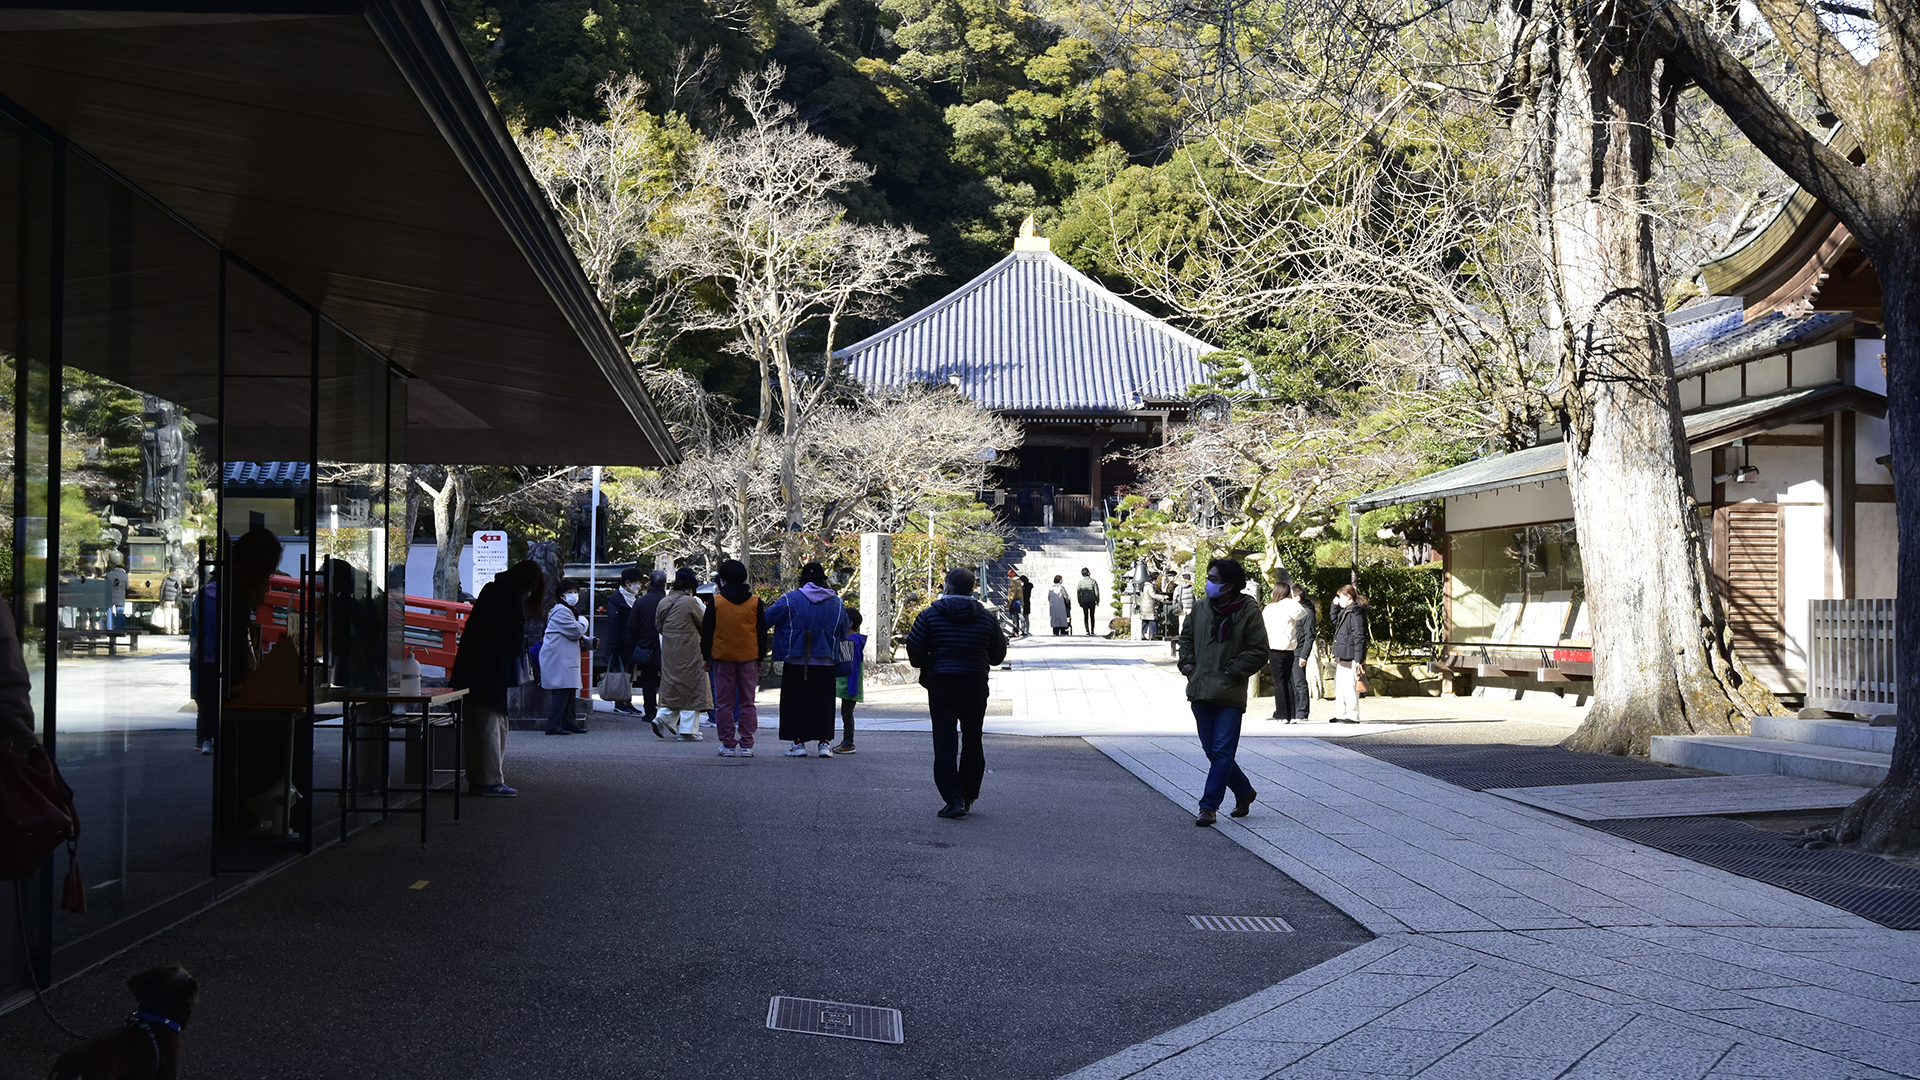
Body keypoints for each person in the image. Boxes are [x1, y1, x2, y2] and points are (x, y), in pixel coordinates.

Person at [905, 568, 1008, 818]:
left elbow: (915, 654)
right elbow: (997, 656)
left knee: (945, 740)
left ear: (947, 587)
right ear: (972, 589)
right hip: (975, 682)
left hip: (942, 683)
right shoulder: (986, 617)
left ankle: (953, 798)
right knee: (973, 737)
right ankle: (968, 794)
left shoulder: (930, 615)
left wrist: (933, 661)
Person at [1177, 558, 1267, 826]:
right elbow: (1186, 637)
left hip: (1229, 693)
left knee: (1223, 751)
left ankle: (1208, 806)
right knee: (1213, 752)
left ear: (1229, 586)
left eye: (1214, 579)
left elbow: (1259, 650)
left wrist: (1233, 670)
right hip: (1201, 690)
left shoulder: (1248, 610)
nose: (1208, 583)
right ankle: (1244, 791)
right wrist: (1187, 663)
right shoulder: (1201, 607)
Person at [450, 560, 545, 796]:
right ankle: (489, 781)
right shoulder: (509, 596)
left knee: (477, 726)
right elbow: (512, 637)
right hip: (489, 672)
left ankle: (480, 779)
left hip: (472, 669)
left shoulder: (493, 590)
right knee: (491, 726)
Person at [766, 561, 847, 758]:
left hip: (796, 660)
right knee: (824, 703)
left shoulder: (789, 599)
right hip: (826, 660)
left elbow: (767, 619)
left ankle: (798, 743)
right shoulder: (837, 602)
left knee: (796, 703)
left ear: (803, 581)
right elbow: (843, 631)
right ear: (823, 581)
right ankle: (824, 744)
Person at [700, 559, 766, 756]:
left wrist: (706, 656)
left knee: (724, 703)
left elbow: (708, 631)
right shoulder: (755, 602)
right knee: (747, 702)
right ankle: (747, 744)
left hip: (722, 656)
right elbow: (761, 632)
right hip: (748, 657)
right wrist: (760, 657)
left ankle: (728, 744)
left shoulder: (717, 601)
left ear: (724, 579)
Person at [654, 568, 712, 740]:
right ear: (690, 588)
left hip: (670, 650)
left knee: (674, 685)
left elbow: (659, 626)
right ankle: (688, 730)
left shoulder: (663, 602)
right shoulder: (691, 602)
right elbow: (704, 625)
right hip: (691, 650)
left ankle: (662, 717)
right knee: (693, 687)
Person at [540, 579, 593, 735]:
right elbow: (576, 631)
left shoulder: (567, 610)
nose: (574, 595)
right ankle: (553, 725)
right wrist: (584, 621)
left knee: (569, 691)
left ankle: (569, 723)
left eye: (576, 592)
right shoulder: (562, 611)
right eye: (570, 592)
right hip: (559, 658)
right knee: (561, 692)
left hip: (564, 657)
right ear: (561, 595)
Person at [603, 567, 645, 714]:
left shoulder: (636, 600)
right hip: (619, 644)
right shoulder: (615, 600)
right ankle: (619, 702)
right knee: (620, 674)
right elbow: (613, 624)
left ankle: (628, 701)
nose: (639, 587)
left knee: (630, 675)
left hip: (632, 644)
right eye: (637, 583)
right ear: (627, 583)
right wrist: (614, 644)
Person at [628, 570, 666, 728]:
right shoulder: (669, 601)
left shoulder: (641, 602)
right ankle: (667, 711)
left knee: (648, 680)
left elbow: (631, 624)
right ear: (664, 584)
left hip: (646, 646)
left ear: (650, 584)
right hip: (666, 647)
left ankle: (650, 711)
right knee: (668, 680)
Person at [1263, 582, 1304, 723]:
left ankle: (1281, 714)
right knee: (1287, 681)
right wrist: (1291, 599)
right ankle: (1291, 714)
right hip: (1289, 649)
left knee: (1279, 682)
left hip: (1275, 648)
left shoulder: (1270, 608)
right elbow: (1301, 612)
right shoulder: (1290, 607)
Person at [1331, 583, 1372, 723]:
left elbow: (1359, 636)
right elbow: (1335, 622)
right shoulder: (1347, 611)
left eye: (1340, 596)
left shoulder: (1355, 613)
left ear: (1348, 597)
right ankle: (1341, 713)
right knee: (1340, 685)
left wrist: (1359, 659)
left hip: (1351, 655)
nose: (1338, 598)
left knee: (1349, 685)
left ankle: (1352, 714)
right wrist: (1334, 607)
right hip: (1343, 654)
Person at [832, 609, 867, 754]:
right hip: (846, 683)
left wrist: (852, 688)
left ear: (850, 623)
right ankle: (847, 742)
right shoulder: (851, 641)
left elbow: (852, 667)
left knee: (847, 713)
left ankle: (848, 743)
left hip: (848, 684)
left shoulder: (851, 642)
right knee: (846, 713)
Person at [1290, 583, 1317, 721]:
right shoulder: (1294, 612)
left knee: (1300, 683)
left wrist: (1304, 655)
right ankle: (1293, 710)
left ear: (1297, 598)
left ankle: (1302, 712)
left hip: (1299, 652)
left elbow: (1310, 635)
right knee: (1292, 683)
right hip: (1291, 650)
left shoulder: (1307, 613)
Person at [1170, 571, 1195, 656]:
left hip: (1182, 607)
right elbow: (1196, 597)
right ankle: (1190, 636)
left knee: (1181, 624)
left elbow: (1175, 598)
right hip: (1191, 607)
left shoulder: (1179, 587)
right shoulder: (1192, 587)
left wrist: (1175, 605)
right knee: (1191, 623)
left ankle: (1182, 637)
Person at [1076, 567, 1101, 636]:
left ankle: (1087, 631)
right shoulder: (1093, 581)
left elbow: (1078, 593)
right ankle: (1092, 630)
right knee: (1092, 615)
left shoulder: (1080, 583)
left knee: (1085, 616)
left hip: (1084, 601)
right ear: (1089, 573)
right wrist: (1097, 600)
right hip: (1092, 600)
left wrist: (1079, 601)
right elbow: (1096, 591)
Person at [1139, 575, 1165, 639]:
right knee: (1153, 621)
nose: (1155, 581)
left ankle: (1143, 635)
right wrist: (1162, 597)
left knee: (1145, 621)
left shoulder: (1143, 586)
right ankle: (1153, 635)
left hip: (1143, 606)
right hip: (1149, 606)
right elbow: (1153, 595)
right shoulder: (1149, 587)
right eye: (1155, 580)